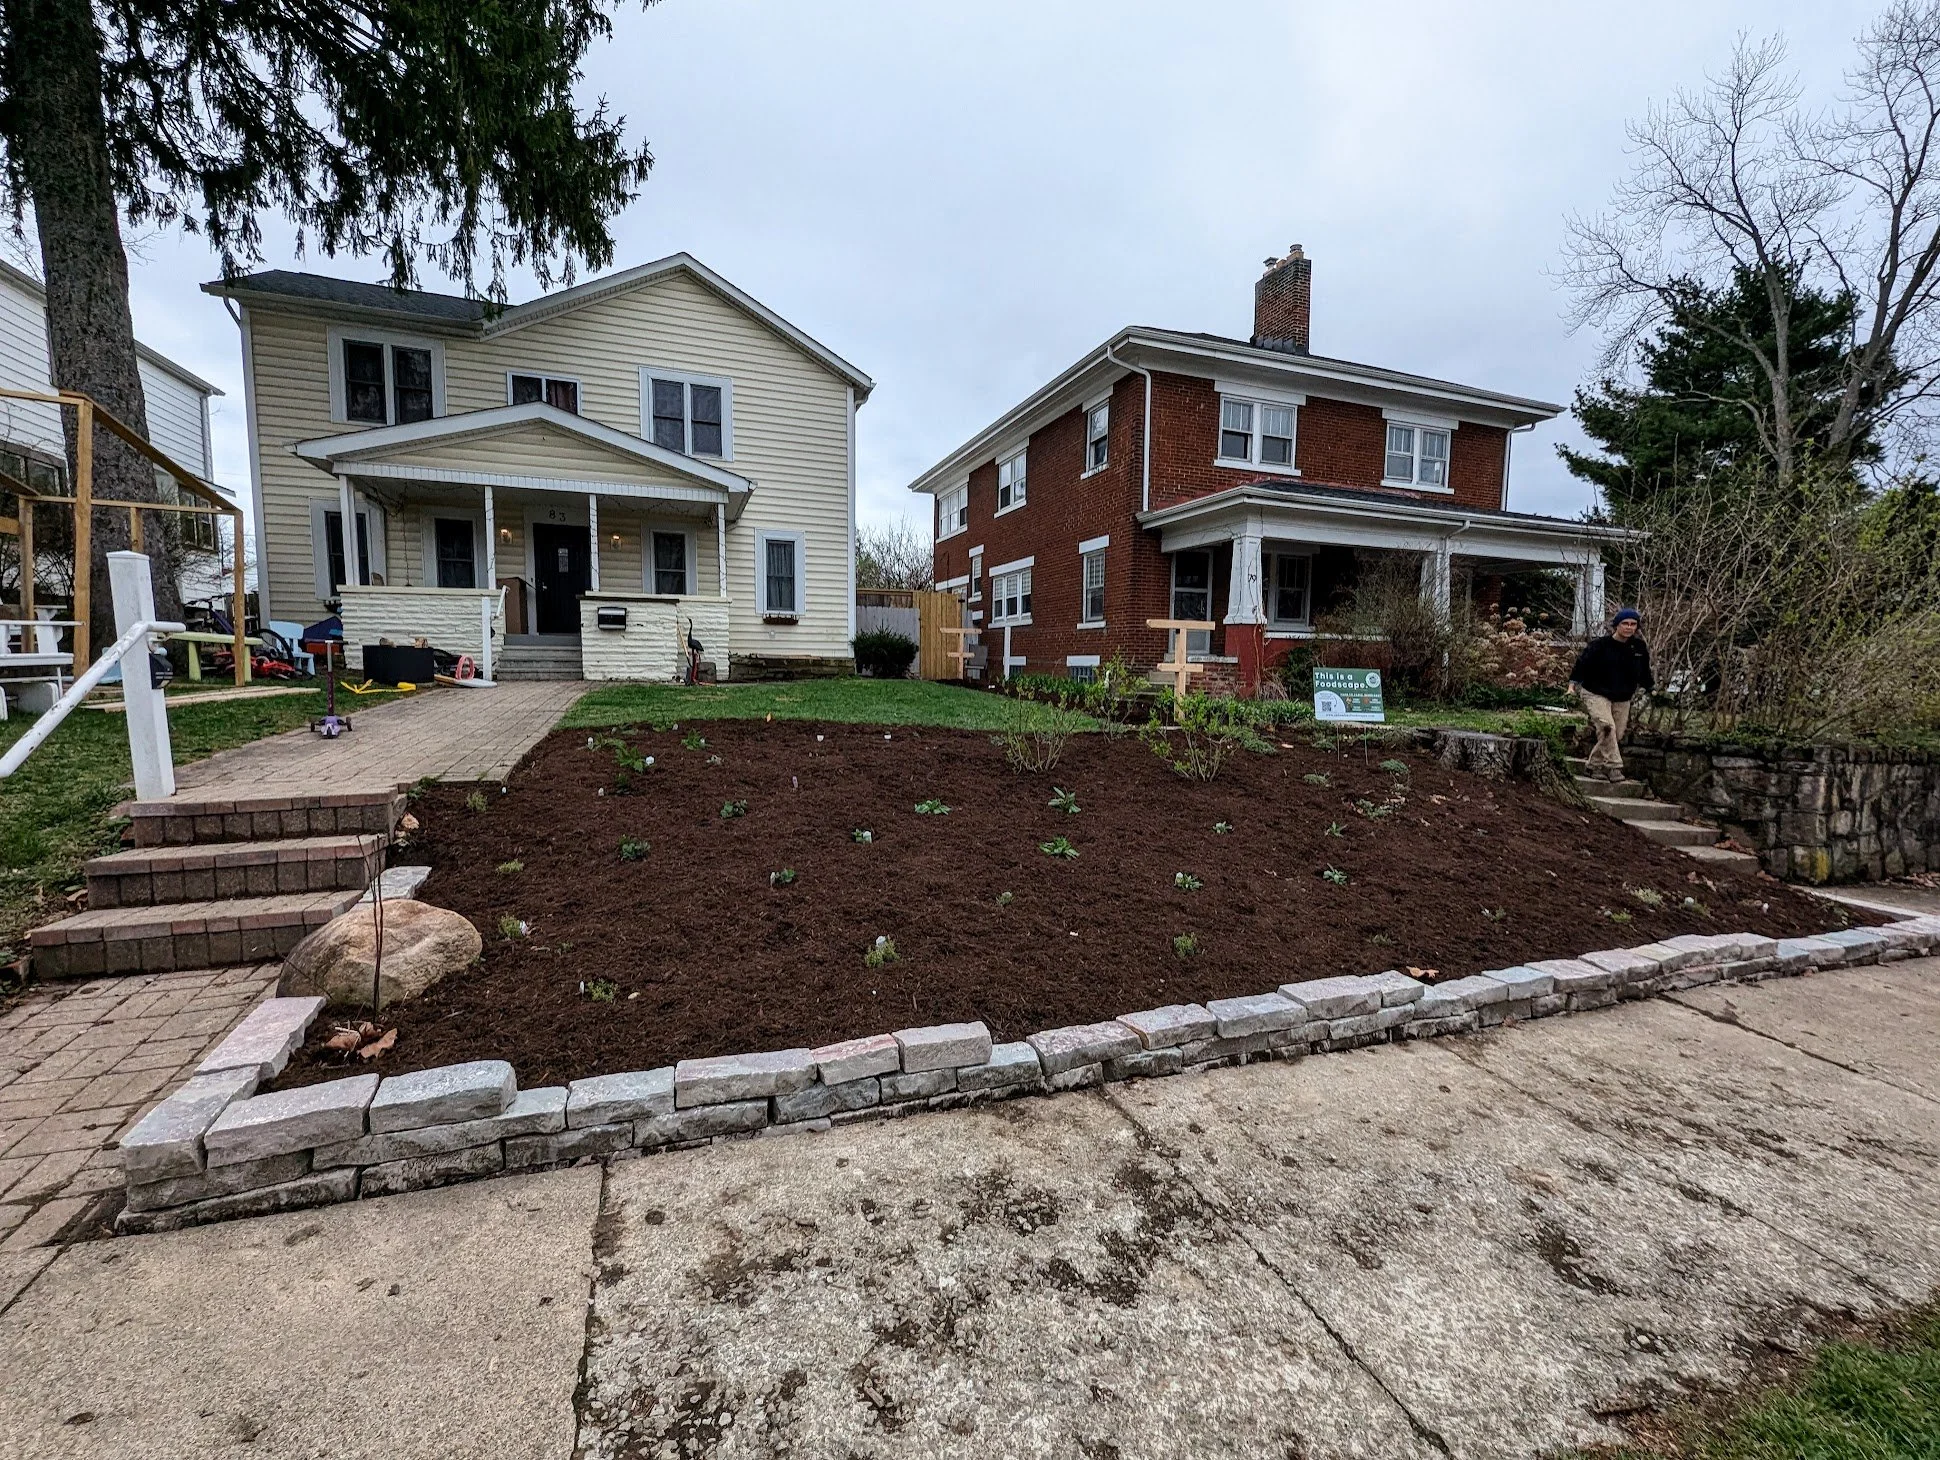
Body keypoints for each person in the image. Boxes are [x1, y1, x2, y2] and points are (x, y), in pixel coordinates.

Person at [1569, 608, 1653, 781]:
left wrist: (1653, 690)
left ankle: (1593, 766)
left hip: (1622, 696)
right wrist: (1572, 686)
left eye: (1633, 624)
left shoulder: (1638, 648)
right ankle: (1614, 767)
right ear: (1617, 625)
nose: (1629, 627)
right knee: (1607, 727)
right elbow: (1581, 665)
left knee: (1616, 734)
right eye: (1625, 624)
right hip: (1595, 692)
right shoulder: (1600, 646)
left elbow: (1644, 673)